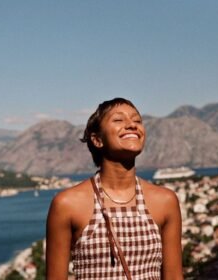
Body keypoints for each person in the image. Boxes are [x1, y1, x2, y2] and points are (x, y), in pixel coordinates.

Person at [46, 97, 183, 279]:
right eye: (119, 120)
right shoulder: (67, 204)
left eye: (137, 120)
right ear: (97, 140)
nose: (132, 125)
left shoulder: (165, 201)